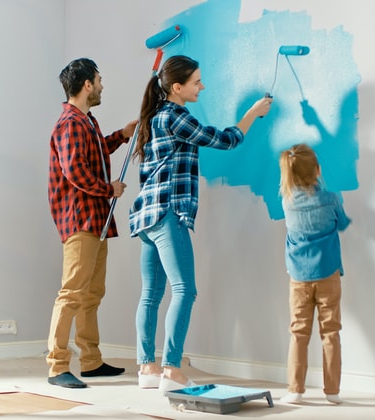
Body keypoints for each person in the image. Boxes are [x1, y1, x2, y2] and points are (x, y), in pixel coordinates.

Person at [128, 55, 272, 391]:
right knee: (185, 290)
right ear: (177, 87)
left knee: (151, 294)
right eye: (196, 82)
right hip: (166, 212)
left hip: (146, 215)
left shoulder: (154, 117)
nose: (202, 86)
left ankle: (147, 367)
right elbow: (225, 140)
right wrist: (253, 113)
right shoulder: (176, 116)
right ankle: (171, 370)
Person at [46, 57, 137, 389]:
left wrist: (121, 136)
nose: (101, 85)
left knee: (91, 294)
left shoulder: (87, 121)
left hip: (96, 221)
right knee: (72, 293)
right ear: (87, 85)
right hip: (81, 221)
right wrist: (108, 189)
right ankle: (57, 366)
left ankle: (91, 361)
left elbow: (93, 154)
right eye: (99, 80)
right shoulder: (70, 123)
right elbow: (76, 172)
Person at [277, 143, 351, 404]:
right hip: (328, 272)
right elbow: (342, 223)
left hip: (298, 276)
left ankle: (295, 391)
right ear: (317, 170)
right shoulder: (330, 197)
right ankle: (333, 392)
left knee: (298, 332)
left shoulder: (287, 202)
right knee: (330, 332)